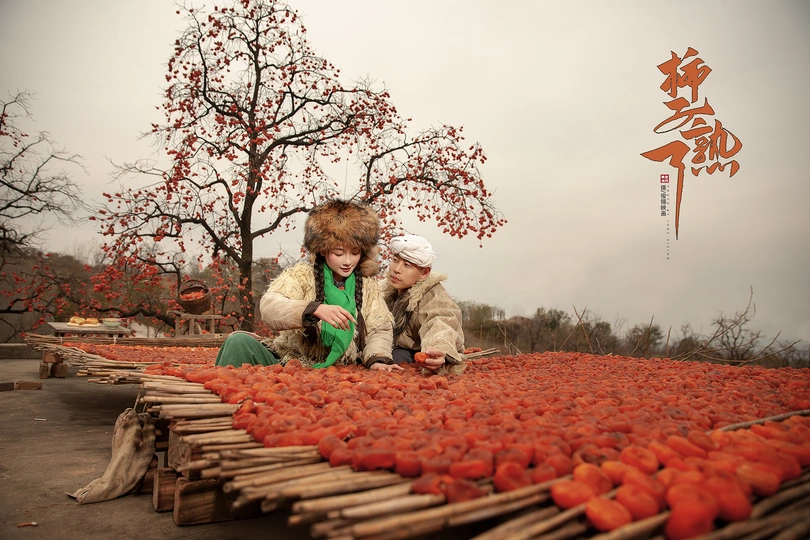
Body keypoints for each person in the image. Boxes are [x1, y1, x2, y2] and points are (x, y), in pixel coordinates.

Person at [215, 200, 401, 372]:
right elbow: (270, 306)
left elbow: (379, 329)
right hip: (292, 361)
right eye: (339, 253)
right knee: (238, 342)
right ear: (323, 250)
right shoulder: (301, 275)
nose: (347, 261)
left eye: (354, 253)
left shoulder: (367, 286)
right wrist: (312, 309)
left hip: (342, 369)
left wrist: (377, 359)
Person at [380, 234, 466, 375]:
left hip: (411, 352)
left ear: (424, 272)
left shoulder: (433, 295)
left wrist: (437, 350)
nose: (397, 269)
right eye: (395, 260)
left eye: (407, 265)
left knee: (396, 358)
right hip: (381, 347)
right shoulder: (381, 289)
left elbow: (441, 323)